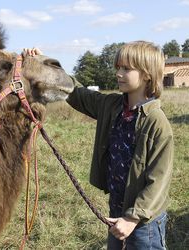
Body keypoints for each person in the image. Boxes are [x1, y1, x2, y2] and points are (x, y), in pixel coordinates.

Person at [23, 41, 173, 250]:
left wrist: (132, 219)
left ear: (147, 74)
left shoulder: (157, 122)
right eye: (117, 67)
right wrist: (45, 64)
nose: (118, 73)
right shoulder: (112, 106)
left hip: (144, 223)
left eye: (126, 69)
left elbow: (159, 182)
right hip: (116, 212)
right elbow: (77, 93)